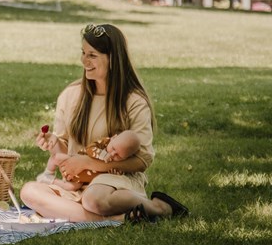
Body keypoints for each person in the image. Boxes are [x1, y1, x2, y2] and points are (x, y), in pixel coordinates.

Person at [20, 24, 189, 223]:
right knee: (28, 192)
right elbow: (65, 150)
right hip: (77, 182)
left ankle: (158, 207)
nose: (84, 60)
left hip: (115, 180)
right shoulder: (71, 95)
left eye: (92, 55)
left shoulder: (133, 101)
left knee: (93, 200)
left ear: (113, 59)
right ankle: (117, 219)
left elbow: (142, 161)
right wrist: (53, 142)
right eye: (83, 53)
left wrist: (90, 163)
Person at [36, 130, 141, 192]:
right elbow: (90, 149)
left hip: (82, 180)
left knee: (71, 187)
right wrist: (102, 154)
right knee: (57, 157)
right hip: (74, 160)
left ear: (125, 158)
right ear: (113, 138)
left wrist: (115, 172)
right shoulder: (103, 143)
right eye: (113, 149)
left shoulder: (116, 162)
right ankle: (49, 173)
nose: (112, 154)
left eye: (119, 155)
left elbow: (112, 173)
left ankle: (50, 181)